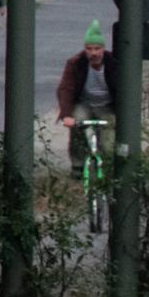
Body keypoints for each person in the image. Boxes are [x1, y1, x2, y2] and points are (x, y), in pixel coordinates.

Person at [57, 20, 119, 178]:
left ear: (103, 49)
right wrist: (66, 115)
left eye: (97, 49)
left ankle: (108, 168)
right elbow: (66, 88)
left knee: (109, 141)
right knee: (78, 124)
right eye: (89, 49)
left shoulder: (114, 64)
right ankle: (77, 165)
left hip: (106, 106)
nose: (93, 53)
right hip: (84, 103)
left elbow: (122, 89)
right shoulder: (75, 63)